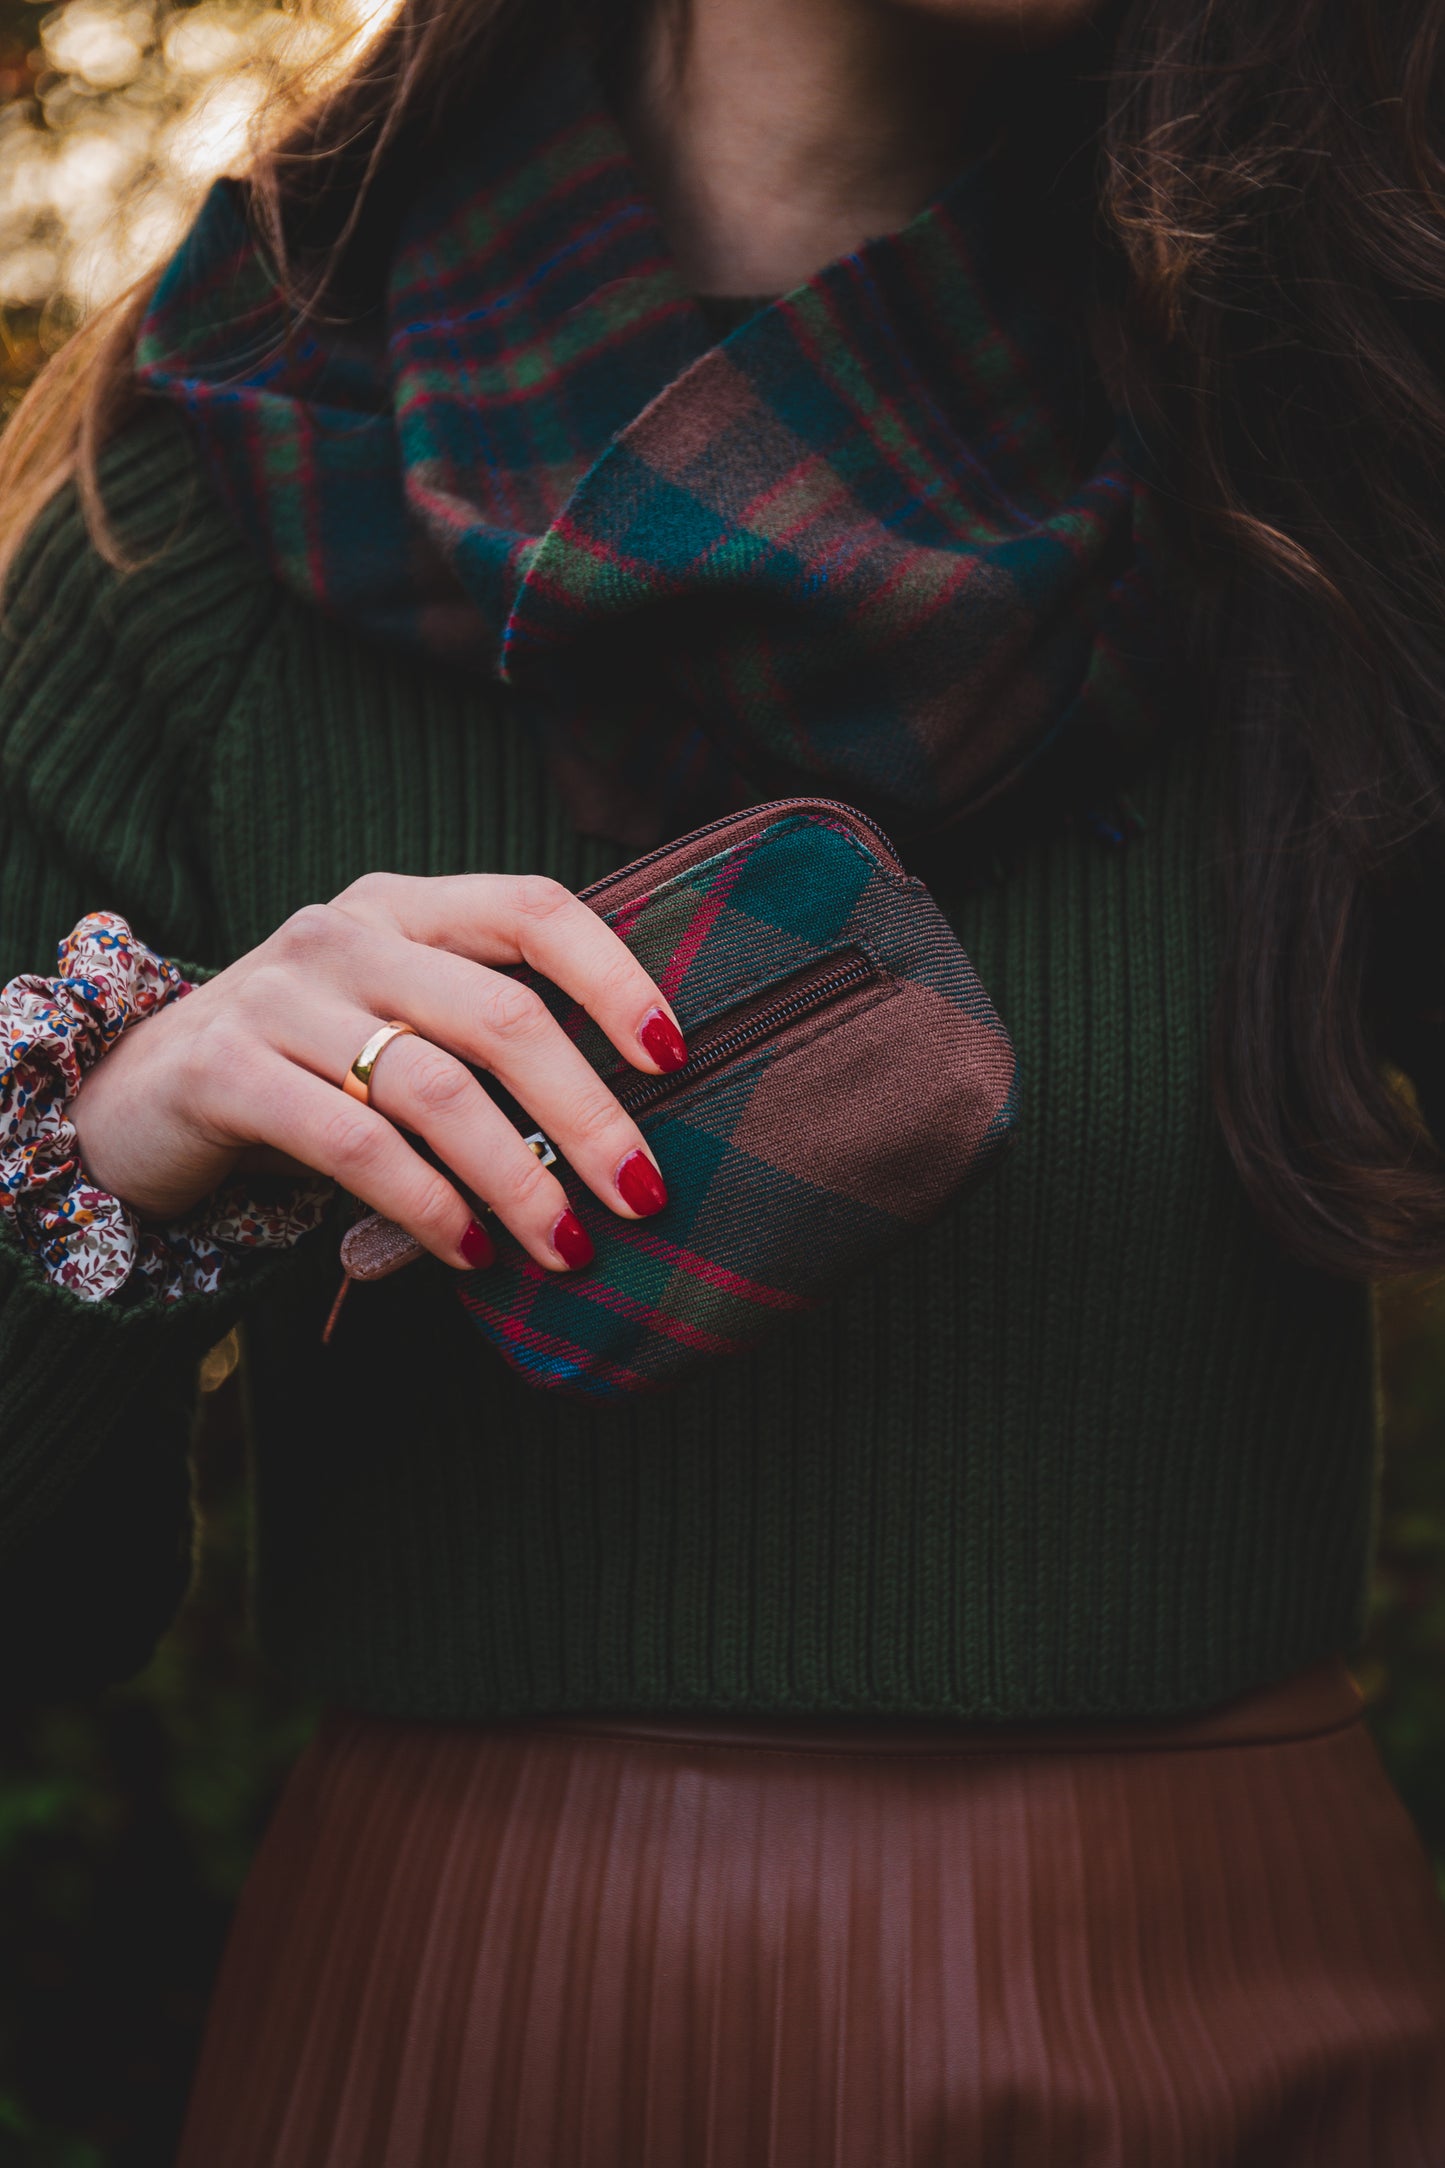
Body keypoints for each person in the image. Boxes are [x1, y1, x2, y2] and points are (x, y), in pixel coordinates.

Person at [3, 0, 1445, 2158]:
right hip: (468, 2040)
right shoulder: (200, 491)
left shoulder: (1352, 463)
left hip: (1259, 2037)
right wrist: (115, 1149)